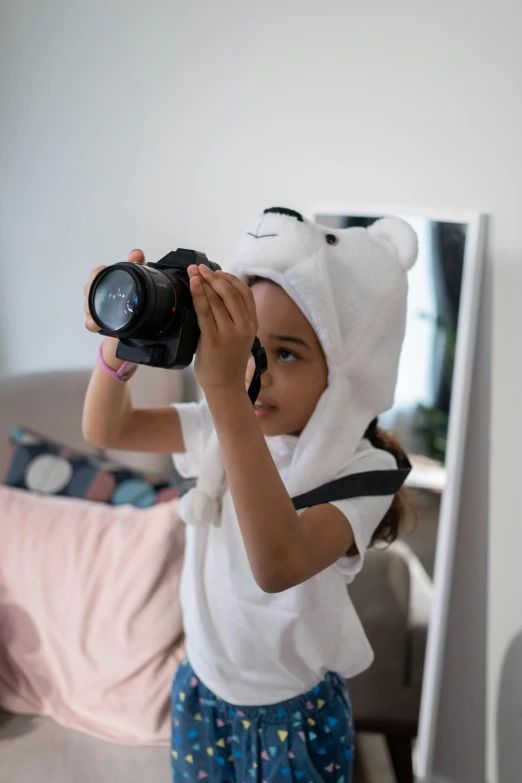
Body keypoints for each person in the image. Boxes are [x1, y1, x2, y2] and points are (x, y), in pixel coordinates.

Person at [83, 206, 418, 783]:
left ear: (344, 372)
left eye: (285, 354)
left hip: (293, 716)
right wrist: (123, 335)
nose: (256, 371)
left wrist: (224, 392)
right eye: (247, 348)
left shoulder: (367, 469)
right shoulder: (220, 424)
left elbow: (277, 562)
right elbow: (108, 430)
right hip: (201, 691)